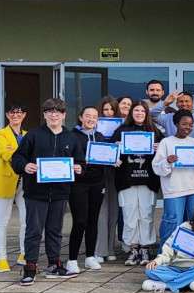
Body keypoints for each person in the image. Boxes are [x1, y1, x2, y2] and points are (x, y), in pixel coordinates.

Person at [11, 98, 85, 286]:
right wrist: (25, 165)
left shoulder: (70, 138)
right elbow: (17, 157)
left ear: (64, 115)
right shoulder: (34, 135)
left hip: (60, 192)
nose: (54, 115)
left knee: (55, 230)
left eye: (58, 112)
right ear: (44, 115)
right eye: (50, 111)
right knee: (34, 231)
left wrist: (79, 168)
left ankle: (54, 265)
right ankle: (30, 267)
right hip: (36, 192)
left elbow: (80, 161)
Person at [111, 101, 163, 266]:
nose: (139, 113)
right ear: (131, 112)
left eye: (142, 110)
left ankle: (146, 249)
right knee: (129, 215)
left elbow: (164, 155)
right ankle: (133, 249)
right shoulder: (121, 131)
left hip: (148, 180)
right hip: (127, 180)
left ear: (147, 113)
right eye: (136, 110)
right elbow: (111, 155)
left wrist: (159, 148)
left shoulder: (155, 132)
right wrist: (116, 148)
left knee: (146, 215)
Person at [152, 109, 194, 246]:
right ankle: (166, 255)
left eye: (190, 124)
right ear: (176, 124)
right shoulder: (166, 142)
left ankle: (191, 253)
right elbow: (157, 167)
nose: (188, 127)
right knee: (172, 223)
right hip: (174, 189)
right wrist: (168, 161)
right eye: (184, 124)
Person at [66, 106, 107, 274]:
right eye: (88, 116)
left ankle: (90, 256)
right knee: (80, 221)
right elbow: (66, 157)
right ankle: (72, 260)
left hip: (97, 182)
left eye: (94, 117)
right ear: (81, 117)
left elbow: (105, 156)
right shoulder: (72, 136)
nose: (91, 119)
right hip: (79, 184)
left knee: (93, 220)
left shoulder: (100, 136)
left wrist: (113, 159)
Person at [0, 101, 28, 272]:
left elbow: (33, 154)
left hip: (25, 182)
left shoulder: (28, 134)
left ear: (24, 115)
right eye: (12, 113)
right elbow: (4, 154)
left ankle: (24, 254)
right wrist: (21, 153)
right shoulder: (0, 133)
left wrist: (15, 149)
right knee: (2, 221)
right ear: (6, 115)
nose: (15, 115)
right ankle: (2, 258)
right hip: (5, 181)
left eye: (19, 112)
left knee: (27, 221)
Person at [142, 200, 194, 293]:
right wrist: (156, 261)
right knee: (149, 270)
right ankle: (187, 283)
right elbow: (168, 250)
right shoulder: (185, 226)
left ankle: (166, 285)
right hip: (174, 267)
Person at [96, 96, 121, 261]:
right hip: (98, 173)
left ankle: (110, 249)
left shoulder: (121, 128)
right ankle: (100, 250)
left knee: (113, 211)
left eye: (112, 109)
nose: (109, 113)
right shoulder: (94, 129)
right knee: (101, 212)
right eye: (105, 110)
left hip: (116, 173)